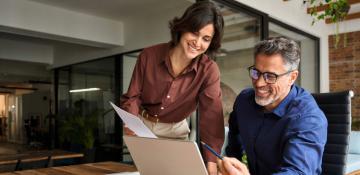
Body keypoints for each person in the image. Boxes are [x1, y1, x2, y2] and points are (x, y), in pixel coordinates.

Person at [120, 1, 224, 174]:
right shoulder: (149, 55)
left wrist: (211, 162)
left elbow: (211, 117)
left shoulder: (209, 70)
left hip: (176, 131)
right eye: (194, 33)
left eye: (206, 39)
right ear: (182, 28)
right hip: (142, 127)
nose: (198, 43)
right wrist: (131, 123)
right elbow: (133, 96)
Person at [218, 37, 328, 175]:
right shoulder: (244, 101)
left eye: (270, 76)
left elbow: (296, 172)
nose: (258, 83)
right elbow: (235, 137)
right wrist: (231, 165)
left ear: (292, 77)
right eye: (256, 72)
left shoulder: (309, 119)